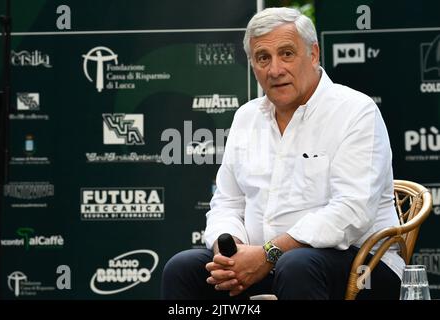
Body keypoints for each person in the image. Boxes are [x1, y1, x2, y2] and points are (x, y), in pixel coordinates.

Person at [161, 7, 404, 300]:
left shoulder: (356, 112)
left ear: (313, 54)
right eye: (263, 58)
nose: (275, 70)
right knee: (183, 268)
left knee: (297, 265)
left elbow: (351, 212)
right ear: (253, 64)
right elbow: (227, 202)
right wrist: (230, 254)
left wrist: (269, 255)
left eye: (287, 54)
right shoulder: (246, 117)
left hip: (363, 268)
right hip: (266, 264)